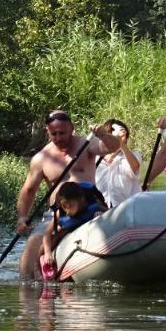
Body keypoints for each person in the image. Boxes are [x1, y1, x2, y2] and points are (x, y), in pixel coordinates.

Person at [16, 110, 119, 280]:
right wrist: (22, 217)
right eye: (53, 133)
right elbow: (29, 190)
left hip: (89, 208)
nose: (58, 137)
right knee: (33, 242)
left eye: (62, 132)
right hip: (58, 213)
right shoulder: (40, 159)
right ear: (47, 131)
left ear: (72, 128)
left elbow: (113, 146)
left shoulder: (87, 145)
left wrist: (102, 135)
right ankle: (27, 286)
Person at [39, 182, 103, 279]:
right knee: (55, 236)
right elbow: (46, 233)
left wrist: (101, 214)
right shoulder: (60, 213)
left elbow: (108, 211)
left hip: (89, 222)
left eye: (70, 205)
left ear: (81, 200)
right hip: (69, 228)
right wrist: (47, 253)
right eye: (64, 206)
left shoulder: (94, 203)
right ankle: (38, 266)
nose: (67, 210)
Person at [95, 118, 142, 209]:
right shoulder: (96, 157)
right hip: (100, 208)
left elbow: (135, 167)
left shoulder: (134, 155)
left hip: (126, 208)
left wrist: (121, 144)